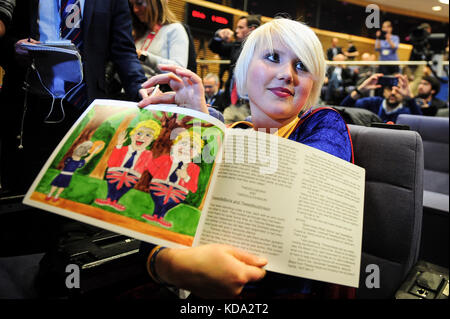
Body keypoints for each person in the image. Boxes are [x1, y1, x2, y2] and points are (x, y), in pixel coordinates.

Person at [138, 18, 355, 299]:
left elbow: (295, 197)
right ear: (243, 70)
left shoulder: (324, 124)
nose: (288, 74)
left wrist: (205, 130)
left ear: (312, 85)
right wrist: (170, 264)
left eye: (301, 66)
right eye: (273, 58)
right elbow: (154, 219)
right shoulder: (229, 131)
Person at [0, 0, 148, 195]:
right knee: (21, 196)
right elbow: (5, 35)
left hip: (84, 111)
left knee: (71, 198)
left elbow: (124, 50)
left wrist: (140, 87)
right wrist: (13, 47)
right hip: (28, 110)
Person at [94, 120, 161, 212]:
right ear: (132, 135)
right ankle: (109, 199)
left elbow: (152, 169)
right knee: (113, 184)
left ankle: (115, 201)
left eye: (148, 135)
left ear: (152, 140)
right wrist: (119, 145)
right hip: (115, 173)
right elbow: (111, 163)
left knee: (126, 185)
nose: (141, 137)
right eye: (139, 133)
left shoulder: (147, 154)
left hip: (132, 176)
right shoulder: (122, 149)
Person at [208, 14, 261, 107]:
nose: (236, 31)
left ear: (252, 29)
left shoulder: (262, 48)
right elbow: (215, 47)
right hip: (231, 101)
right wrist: (219, 35)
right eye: (237, 28)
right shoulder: (236, 46)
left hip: (251, 103)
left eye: (241, 28)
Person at [130, 0, 189, 77]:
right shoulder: (137, 33)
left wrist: (144, 57)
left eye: (139, 3)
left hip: (157, 88)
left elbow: (179, 71)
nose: (135, 9)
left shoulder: (175, 29)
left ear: (155, 3)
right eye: (132, 5)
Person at [340, 73, 422, 123]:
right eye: (390, 89)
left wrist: (410, 98)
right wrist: (360, 90)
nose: (393, 93)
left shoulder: (406, 112)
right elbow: (343, 110)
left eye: (398, 90)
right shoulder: (372, 103)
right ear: (383, 91)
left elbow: (420, 123)